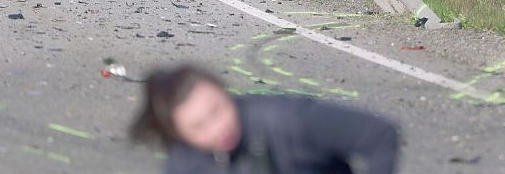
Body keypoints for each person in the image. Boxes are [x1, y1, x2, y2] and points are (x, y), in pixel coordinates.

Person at [131, 64, 399, 174]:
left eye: (217, 110)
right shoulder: (183, 164)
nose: (217, 128)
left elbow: (379, 134)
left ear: (227, 94)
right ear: (180, 135)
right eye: (199, 127)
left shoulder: (288, 118)